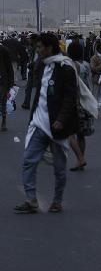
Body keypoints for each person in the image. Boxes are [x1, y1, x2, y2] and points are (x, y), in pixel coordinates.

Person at [14, 33, 79, 214]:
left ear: (50, 47)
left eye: (40, 47)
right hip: (39, 122)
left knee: (59, 167)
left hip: (57, 125)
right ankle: (31, 199)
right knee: (28, 161)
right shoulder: (42, 66)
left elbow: (69, 97)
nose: (38, 50)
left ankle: (57, 200)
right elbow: (40, 93)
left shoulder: (65, 67)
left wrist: (61, 119)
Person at [0, 41, 15, 132]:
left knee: (2, 101)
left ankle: (3, 122)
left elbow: (9, 67)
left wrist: (11, 83)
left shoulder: (3, 50)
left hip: (2, 81)